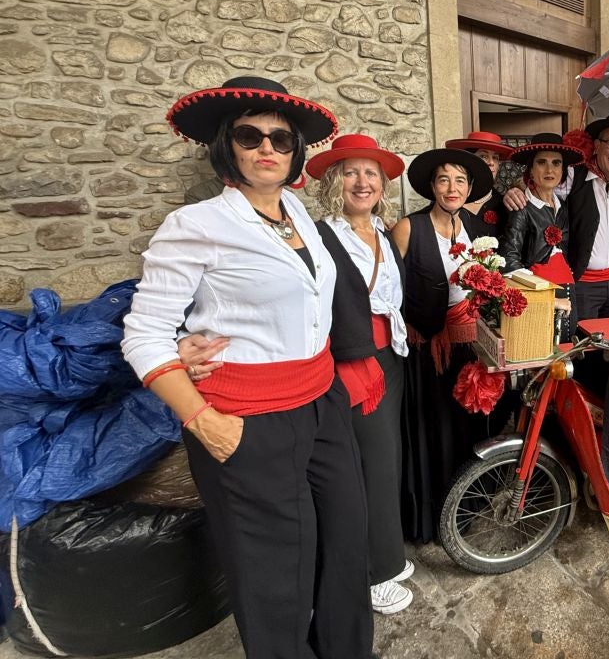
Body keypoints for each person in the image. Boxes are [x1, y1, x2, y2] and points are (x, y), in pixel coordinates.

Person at [122, 77, 374, 658]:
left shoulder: (303, 219)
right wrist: (204, 421)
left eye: (281, 139)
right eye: (250, 134)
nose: (267, 147)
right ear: (226, 145)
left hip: (321, 404)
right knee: (275, 572)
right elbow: (143, 334)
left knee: (344, 541)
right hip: (248, 418)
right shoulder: (197, 226)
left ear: (295, 153)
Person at [305, 134, 415, 614]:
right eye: (351, 172)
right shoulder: (320, 236)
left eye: (371, 173)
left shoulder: (384, 232)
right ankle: (375, 575)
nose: (362, 181)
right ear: (334, 181)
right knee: (367, 465)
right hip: (352, 360)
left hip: (390, 353)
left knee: (386, 458)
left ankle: (386, 551)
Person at [390, 148, 495, 543]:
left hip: (468, 348)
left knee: (464, 430)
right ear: (432, 186)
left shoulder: (475, 226)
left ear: (469, 189)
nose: (453, 188)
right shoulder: (408, 228)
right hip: (427, 353)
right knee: (431, 433)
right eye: (445, 180)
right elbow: (390, 290)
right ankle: (427, 520)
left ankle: (463, 510)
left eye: (461, 181)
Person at [504, 114, 609, 321]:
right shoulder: (574, 176)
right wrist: (514, 189)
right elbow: (543, 183)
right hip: (583, 283)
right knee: (581, 346)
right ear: (596, 146)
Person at [500, 132, 584, 342]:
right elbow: (509, 263)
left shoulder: (563, 207)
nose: (549, 170)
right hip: (537, 300)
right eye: (542, 163)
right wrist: (548, 300)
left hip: (568, 294)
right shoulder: (521, 207)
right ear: (530, 169)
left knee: (564, 361)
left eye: (556, 163)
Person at [444, 130, 514, 238]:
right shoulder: (447, 199)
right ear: (468, 161)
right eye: (483, 156)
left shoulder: (504, 204)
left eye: (495, 158)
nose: (491, 162)